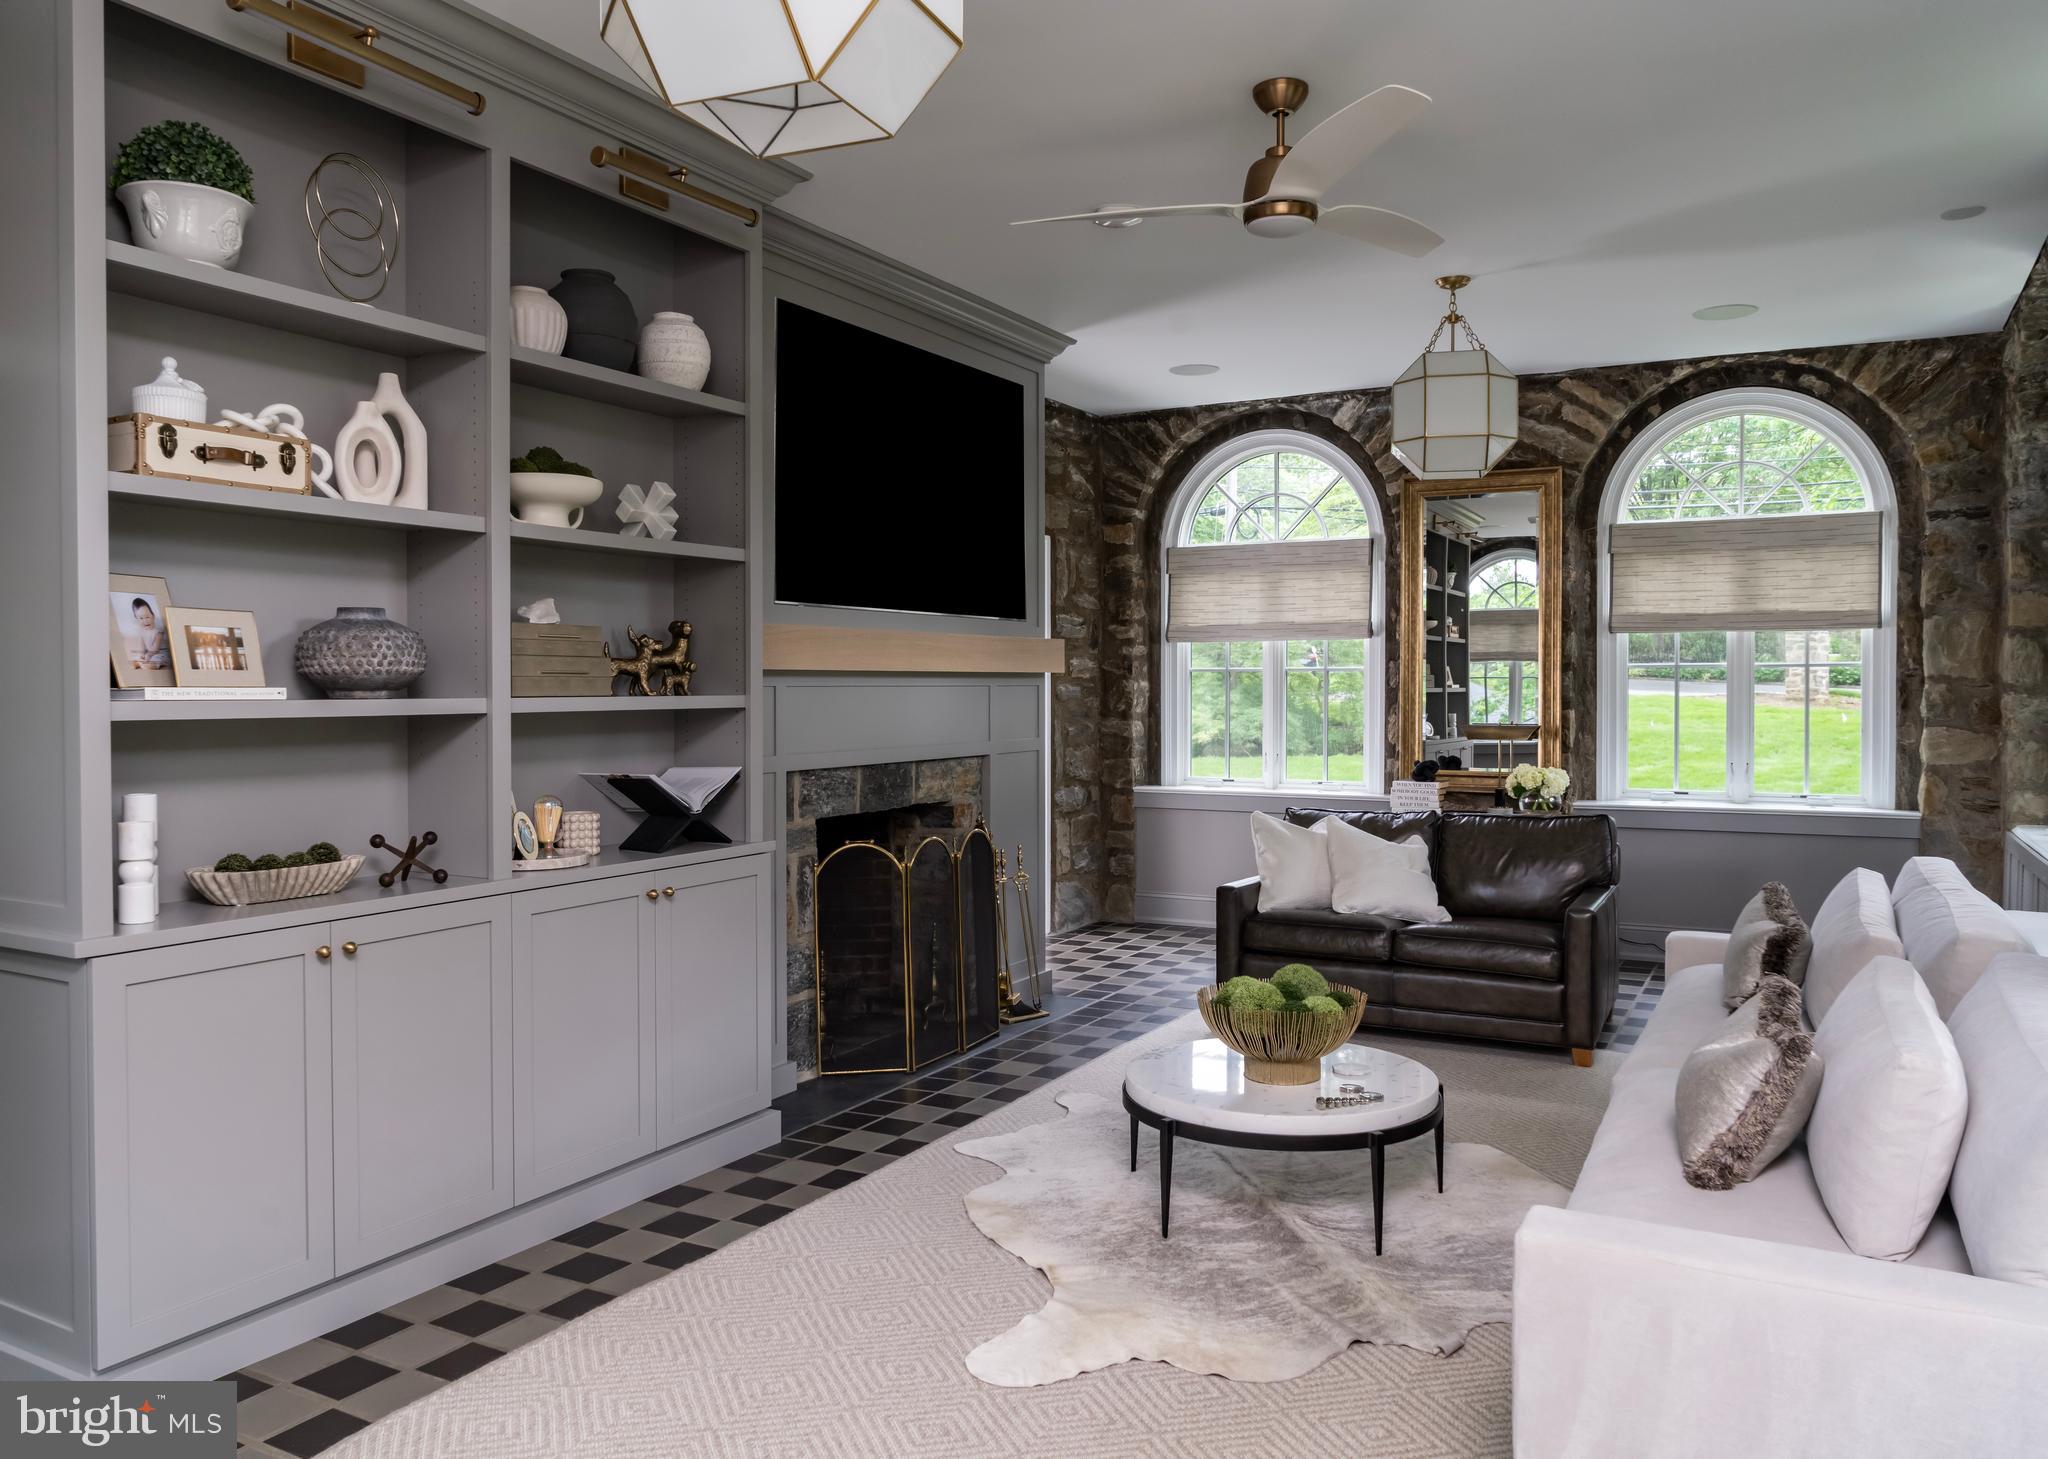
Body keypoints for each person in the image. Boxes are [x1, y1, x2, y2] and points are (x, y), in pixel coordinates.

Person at [129, 597, 169, 671]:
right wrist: (142, 655)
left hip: (159, 653)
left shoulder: (158, 632)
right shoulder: (141, 632)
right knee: (137, 656)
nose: (145, 621)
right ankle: (140, 662)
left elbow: (155, 649)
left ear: (153, 616)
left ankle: (144, 664)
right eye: (141, 618)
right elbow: (142, 647)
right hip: (149, 653)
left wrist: (148, 655)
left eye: (147, 617)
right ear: (137, 619)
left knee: (156, 659)